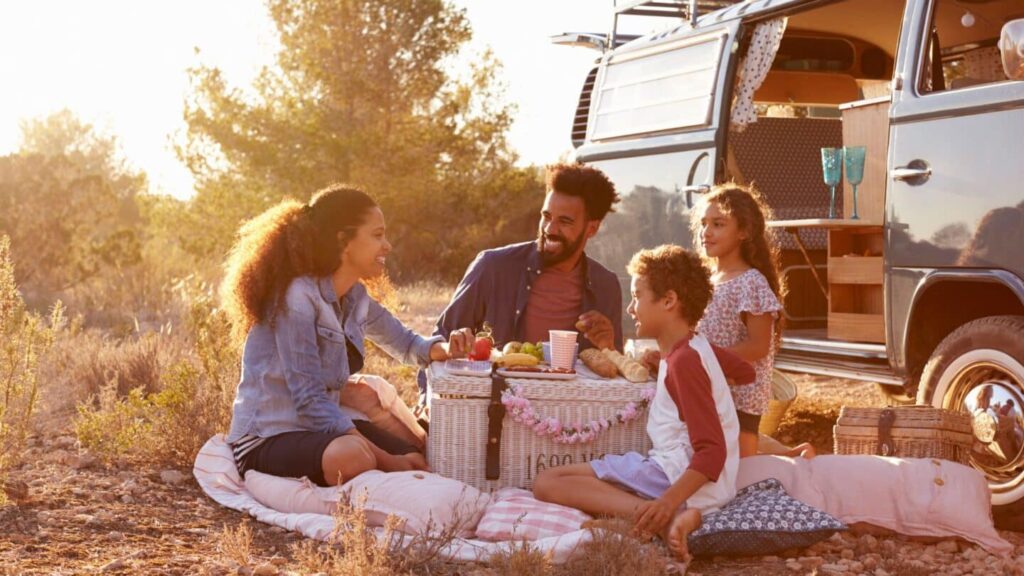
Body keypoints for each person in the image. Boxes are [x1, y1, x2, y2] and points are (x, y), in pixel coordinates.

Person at [221, 185, 477, 487]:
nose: (388, 246)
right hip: (266, 436)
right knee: (354, 457)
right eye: (377, 235)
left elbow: (408, 345)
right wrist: (389, 462)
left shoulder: (355, 296)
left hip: (315, 430)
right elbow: (308, 398)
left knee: (415, 453)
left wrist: (450, 347)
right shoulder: (298, 297)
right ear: (344, 240)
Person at [533, 245, 753, 562]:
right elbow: (744, 372)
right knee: (571, 481)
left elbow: (712, 452)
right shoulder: (693, 348)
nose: (631, 308)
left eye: (637, 296)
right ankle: (651, 516)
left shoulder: (684, 363)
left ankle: (663, 518)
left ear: (668, 301)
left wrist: (666, 503)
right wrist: (674, 367)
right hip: (693, 479)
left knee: (547, 482)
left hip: (674, 475)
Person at [419, 163, 624, 400]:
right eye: (546, 216)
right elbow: (439, 342)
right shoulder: (492, 267)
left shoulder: (606, 285)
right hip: (495, 410)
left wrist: (609, 346)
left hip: (571, 414)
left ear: (592, 228)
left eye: (565, 222)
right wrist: (428, 404)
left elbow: (615, 375)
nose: (550, 228)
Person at [692, 184, 814, 459]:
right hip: (711, 386)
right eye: (704, 223)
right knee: (716, 455)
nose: (706, 232)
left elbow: (758, 346)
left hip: (740, 393)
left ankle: (793, 459)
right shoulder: (707, 282)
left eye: (718, 224)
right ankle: (792, 453)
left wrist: (705, 358)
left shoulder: (751, 282)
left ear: (744, 232)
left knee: (743, 468)